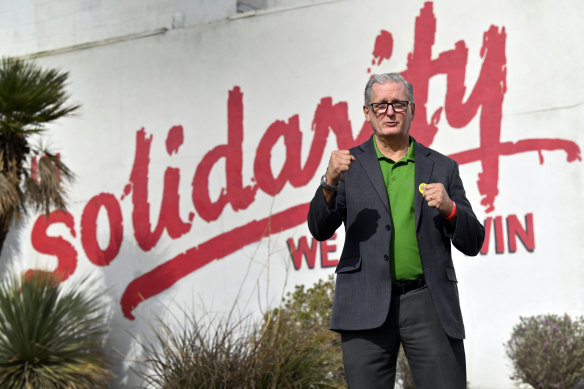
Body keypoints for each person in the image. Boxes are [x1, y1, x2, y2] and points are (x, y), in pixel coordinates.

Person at [307, 73, 485, 389]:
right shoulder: (348, 166)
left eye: (398, 104)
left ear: (412, 110)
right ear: (367, 112)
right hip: (364, 303)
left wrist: (450, 209)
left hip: (428, 301)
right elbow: (319, 228)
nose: (390, 112)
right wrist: (329, 180)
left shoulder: (442, 167)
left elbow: (473, 241)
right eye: (380, 105)